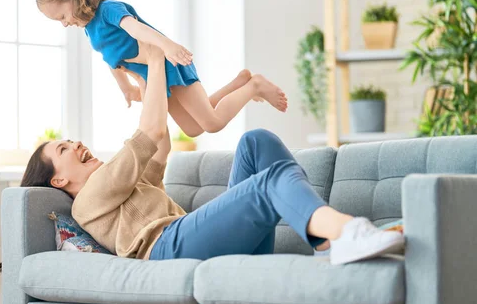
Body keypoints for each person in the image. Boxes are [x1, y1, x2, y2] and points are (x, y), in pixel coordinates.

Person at [21, 42, 405, 265]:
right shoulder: (90, 198)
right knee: (268, 183)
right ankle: (345, 232)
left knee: (256, 141)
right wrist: (154, 59)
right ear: (58, 179)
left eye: (73, 140)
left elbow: (162, 141)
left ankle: (325, 242)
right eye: (64, 148)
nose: (77, 145)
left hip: (197, 242)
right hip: (168, 250)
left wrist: (147, 81)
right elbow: (150, 131)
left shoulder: (120, 187)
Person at [35, 0, 288, 138]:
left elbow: (137, 30)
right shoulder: (89, 29)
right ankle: (239, 82)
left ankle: (254, 86)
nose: (65, 23)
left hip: (168, 65)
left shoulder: (108, 9)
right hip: (152, 76)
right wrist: (125, 88)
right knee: (192, 128)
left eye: (62, 16)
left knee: (211, 123)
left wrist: (168, 46)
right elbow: (111, 60)